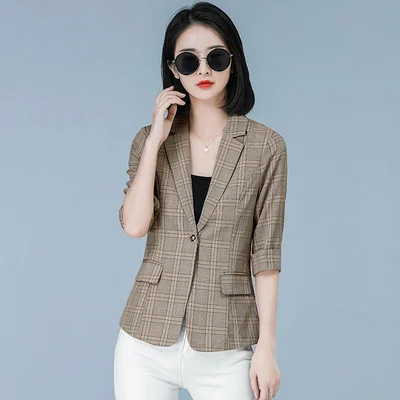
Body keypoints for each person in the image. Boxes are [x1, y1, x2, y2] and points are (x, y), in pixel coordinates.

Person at [114, 2, 287, 400]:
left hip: (226, 341)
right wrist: (155, 141)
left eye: (216, 57)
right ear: (173, 70)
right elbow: (135, 226)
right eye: (189, 61)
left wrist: (267, 348)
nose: (204, 70)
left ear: (234, 62)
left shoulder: (266, 147)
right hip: (145, 339)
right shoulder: (150, 141)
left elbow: (266, 254)